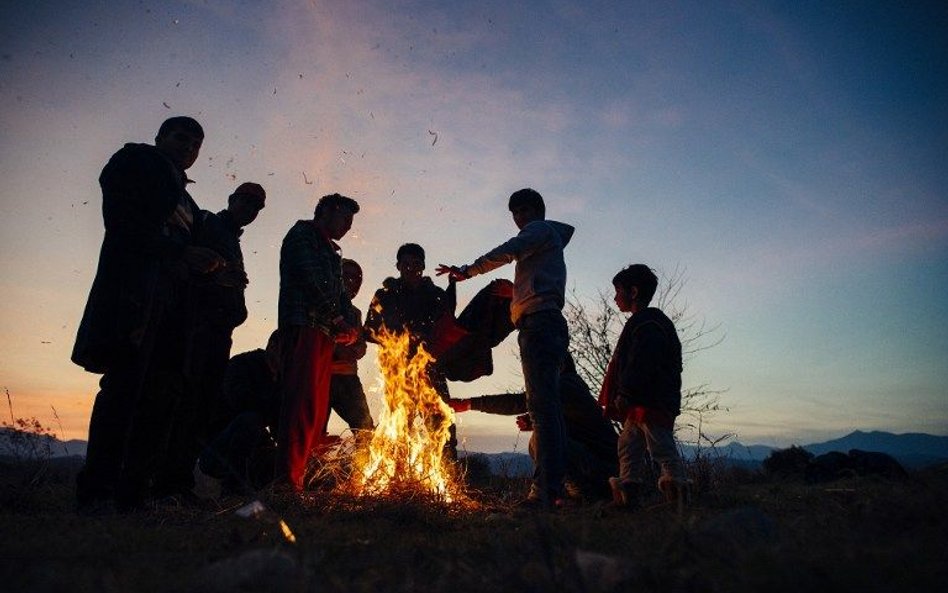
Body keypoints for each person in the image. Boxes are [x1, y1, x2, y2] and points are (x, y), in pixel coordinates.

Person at [72, 116, 224, 511]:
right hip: (137, 296)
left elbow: (186, 245)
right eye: (181, 138)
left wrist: (208, 264)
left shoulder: (188, 201)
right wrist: (182, 252)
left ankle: (134, 494)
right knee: (124, 390)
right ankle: (98, 491)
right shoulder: (135, 162)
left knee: (160, 397)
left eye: (196, 144)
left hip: (173, 305)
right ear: (160, 137)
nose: (188, 147)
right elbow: (124, 224)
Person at [437, 188, 574, 507]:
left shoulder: (539, 231)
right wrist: (513, 297)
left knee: (543, 409)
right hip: (538, 323)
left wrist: (468, 271)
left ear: (538, 210)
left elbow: (509, 250)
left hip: (540, 324)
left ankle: (546, 491)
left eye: (524, 211)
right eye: (515, 213)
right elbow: (533, 280)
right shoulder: (544, 245)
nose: (519, 219)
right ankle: (551, 488)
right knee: (543, 407)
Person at [159, 181, 266, 496]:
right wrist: (216, 278)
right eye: (245, 202)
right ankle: (167, 483)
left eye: (256, 207)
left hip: (219, 333)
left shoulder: (231, 238)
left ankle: (180, 483)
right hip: (197, 331)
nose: (249, 210)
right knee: (186, 403)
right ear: (231, 199)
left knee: (203, 406)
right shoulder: (208, 223)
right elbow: (184, 266)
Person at [277, 193, 361, 490]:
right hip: (304, 326)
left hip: (323, 334)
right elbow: (311, 279)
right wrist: (337, 318)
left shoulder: (331, 252)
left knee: (314, 408)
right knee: (300, 404)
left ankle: (301, 479)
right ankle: (287, 482)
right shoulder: (303, 234)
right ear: (327, 211)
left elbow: (340, 294)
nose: (347, 228)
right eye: (344, 220)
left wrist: (349, 325)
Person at [449, 355, 618, 501]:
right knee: (541, 434)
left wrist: (469, 404)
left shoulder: (565, 385)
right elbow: (574, 426)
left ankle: (581, 494)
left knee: (540, 438)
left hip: (605, 472)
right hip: (602, 468)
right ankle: (576, 493)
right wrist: (535, 420)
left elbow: (522, 401)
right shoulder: (569, 386)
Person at [599, 264, 689, 508]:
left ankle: (677, 494)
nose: (615, 297)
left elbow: (642, 361)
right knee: (629, 446)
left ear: (634, 292)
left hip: (650, 401)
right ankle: (629, 494)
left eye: (618, 291)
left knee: (660, 445)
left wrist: (626, 392)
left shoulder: (648, 324)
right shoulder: (647, 323)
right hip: (642, 402)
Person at [364, 243, 457, 457]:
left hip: (431, 369)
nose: (411, 269)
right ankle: (397, 477)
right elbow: (369, 330)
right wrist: (399, 338)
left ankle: (448, 476)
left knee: (442, 424)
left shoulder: (436, 295)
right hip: (399, 371)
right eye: (406, 264)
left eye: (416, 264)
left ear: (423, 266)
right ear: (398, 266)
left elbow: (448, 326)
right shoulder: (385, 295)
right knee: (400, 426)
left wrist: (453, 285)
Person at [199, 331, 282, 493]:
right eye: (287, 353)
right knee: (250, 420)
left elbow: (278, 428)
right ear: (273, 346)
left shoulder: (282, 377)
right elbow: (241, 402)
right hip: (218, 448)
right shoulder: (241, 365)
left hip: (256, 447)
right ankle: (233, 489)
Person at [326, 259, 374, 438]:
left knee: (364, 427)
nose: (352, 282)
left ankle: (366, 463)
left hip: (348, 378)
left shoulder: (355, 313)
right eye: (346, 276)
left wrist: (357, 350)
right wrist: (338, 348)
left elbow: (361, 345)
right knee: (314, 431)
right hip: (322, 377)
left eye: (357, 278)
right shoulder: (325, 305)